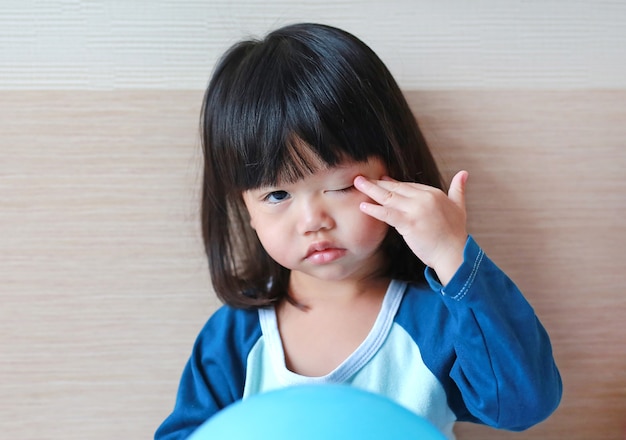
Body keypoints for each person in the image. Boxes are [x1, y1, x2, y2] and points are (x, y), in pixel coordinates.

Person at [155, 23, 562, 439]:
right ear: (244, 209)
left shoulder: (437, 321)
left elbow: (522, 406)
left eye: (342, 186)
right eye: (277, 195)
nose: (313, 221)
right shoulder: (233, 339)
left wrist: (451, 256)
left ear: (395, 175)